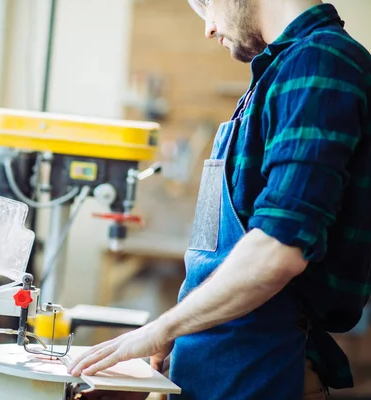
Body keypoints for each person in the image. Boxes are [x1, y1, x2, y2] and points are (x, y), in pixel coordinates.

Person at [68, 0, 371, 399]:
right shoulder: (276, 73)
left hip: (262, 373)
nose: (208, 28)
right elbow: (232, 260)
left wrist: (161, 329)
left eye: (207, 4)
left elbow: (278, 251)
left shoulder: (318, 63)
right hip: (222, 372)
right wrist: (173, 338)